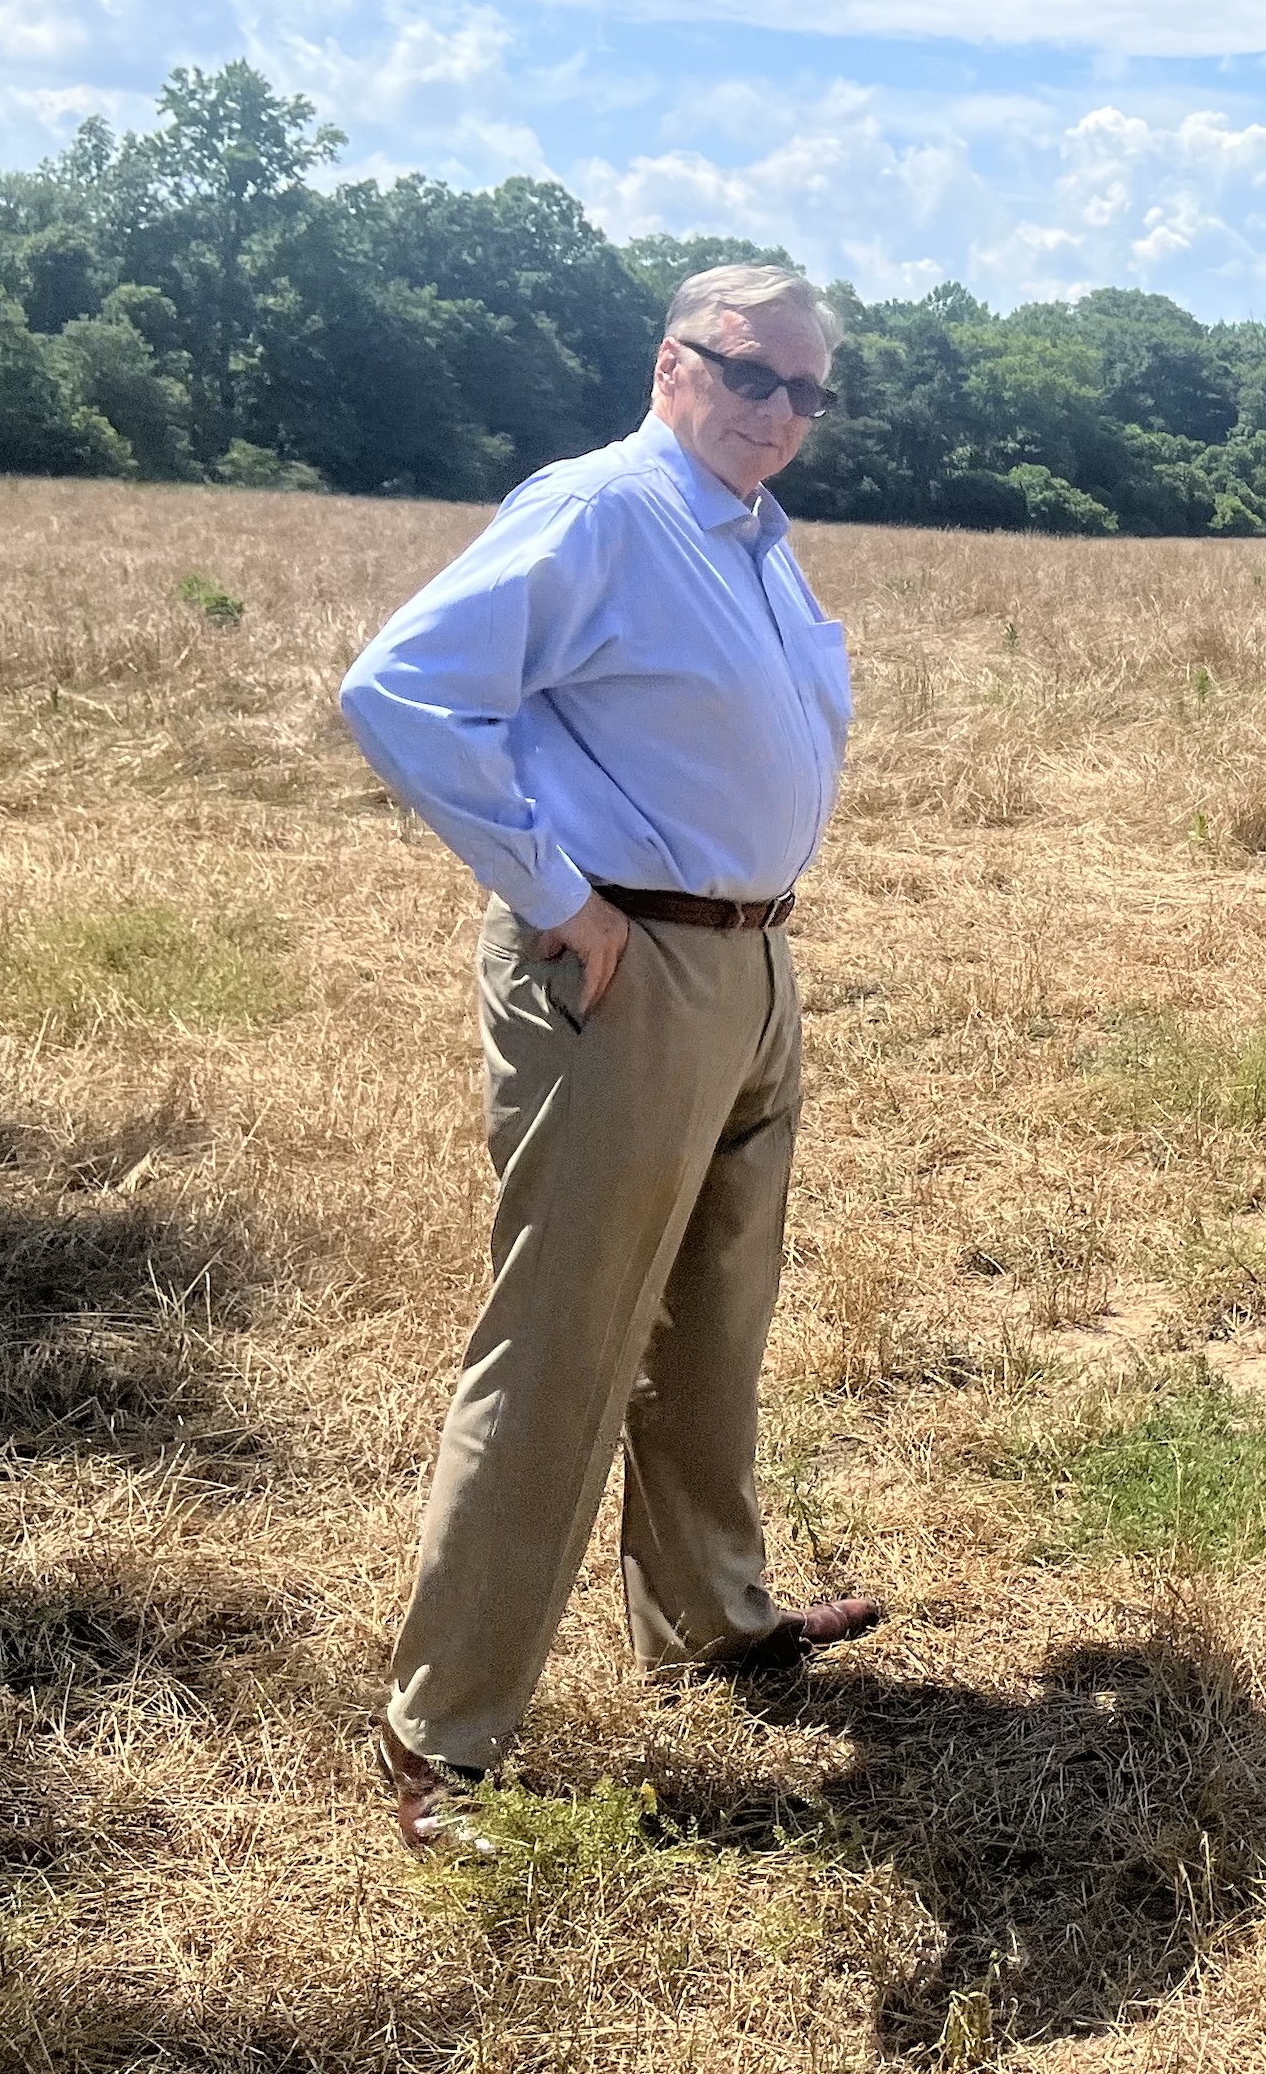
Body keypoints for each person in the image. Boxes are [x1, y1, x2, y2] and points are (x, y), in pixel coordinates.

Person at [336, 262, 882, 1853]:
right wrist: (555, 894)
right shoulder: (606, 510)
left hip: (748, 959)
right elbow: (404, 691)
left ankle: (712, 1616)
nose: (781, 412)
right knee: (564, 1338)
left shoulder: (755, 539)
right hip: (624, 966)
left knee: (717, 1305)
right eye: (752, 376)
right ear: (673, 366)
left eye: (806, 391)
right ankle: (442, 1747)